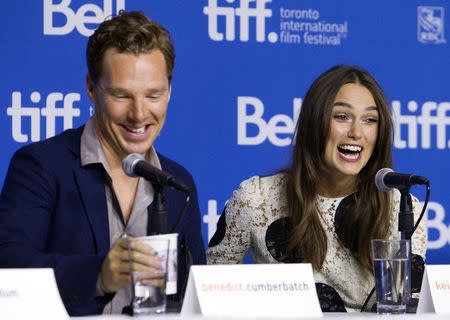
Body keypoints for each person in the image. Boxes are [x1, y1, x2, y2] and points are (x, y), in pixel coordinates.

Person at [0, 11, 205, 316]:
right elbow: (9, 267)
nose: (139, 114)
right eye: (121, 95)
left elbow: (194, 299)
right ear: (91, 88)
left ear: (169, 92)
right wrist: (99, 275)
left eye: (153, 95)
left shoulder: (176, 183)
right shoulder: (40, 166)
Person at [207, 65, 427, 312]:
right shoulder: (257, 198)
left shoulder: (400, 209)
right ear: (315, 122)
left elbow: (407, 307)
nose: (356, 132)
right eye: (341, 117)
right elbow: (211, 292)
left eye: (370, 120)